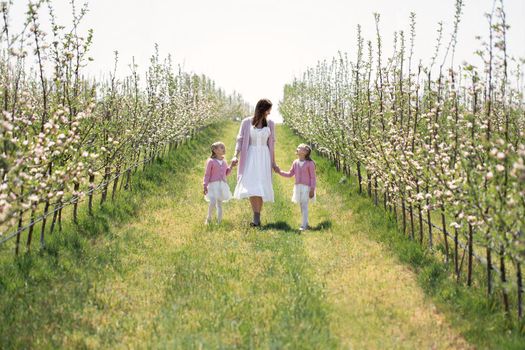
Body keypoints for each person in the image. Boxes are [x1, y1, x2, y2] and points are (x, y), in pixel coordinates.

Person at [232, 99, 279, 227]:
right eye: (268, 109)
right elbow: (240, 140)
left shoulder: (270, 124)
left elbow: (272, 144)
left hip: (264, 156)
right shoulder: (246, 122)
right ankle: (256, 217)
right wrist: (235, 156)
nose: (269, 112)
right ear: (262, 109)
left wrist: (274, 163)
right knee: (252, 185)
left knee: (261, 185)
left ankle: (257, 217)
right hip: (250, 156)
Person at [276, 143, 316, 231]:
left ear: (305, 152)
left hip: (306, 188)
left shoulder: (310, 163)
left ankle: (304, 226)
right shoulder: (295, 162)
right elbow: (290, 174)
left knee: (304, 205)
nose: (297, 149)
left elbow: (313, 177)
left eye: (299, 148)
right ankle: (306, 223)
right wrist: (279, 171)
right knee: (302, 206)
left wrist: (312, 189)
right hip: (298, 187)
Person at [203, 141, 235, 224]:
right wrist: (205, 185)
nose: (224, 149)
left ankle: (219, 222)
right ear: (215, 150)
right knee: (213, 201)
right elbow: (207, 174)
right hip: (213, 185)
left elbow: (226, 173)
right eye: (221, 147)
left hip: (221, 185)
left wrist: (231, 165)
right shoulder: (211, 161)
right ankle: (208, 218)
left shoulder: (224, 161)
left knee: (219, 204)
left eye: (224, 147)